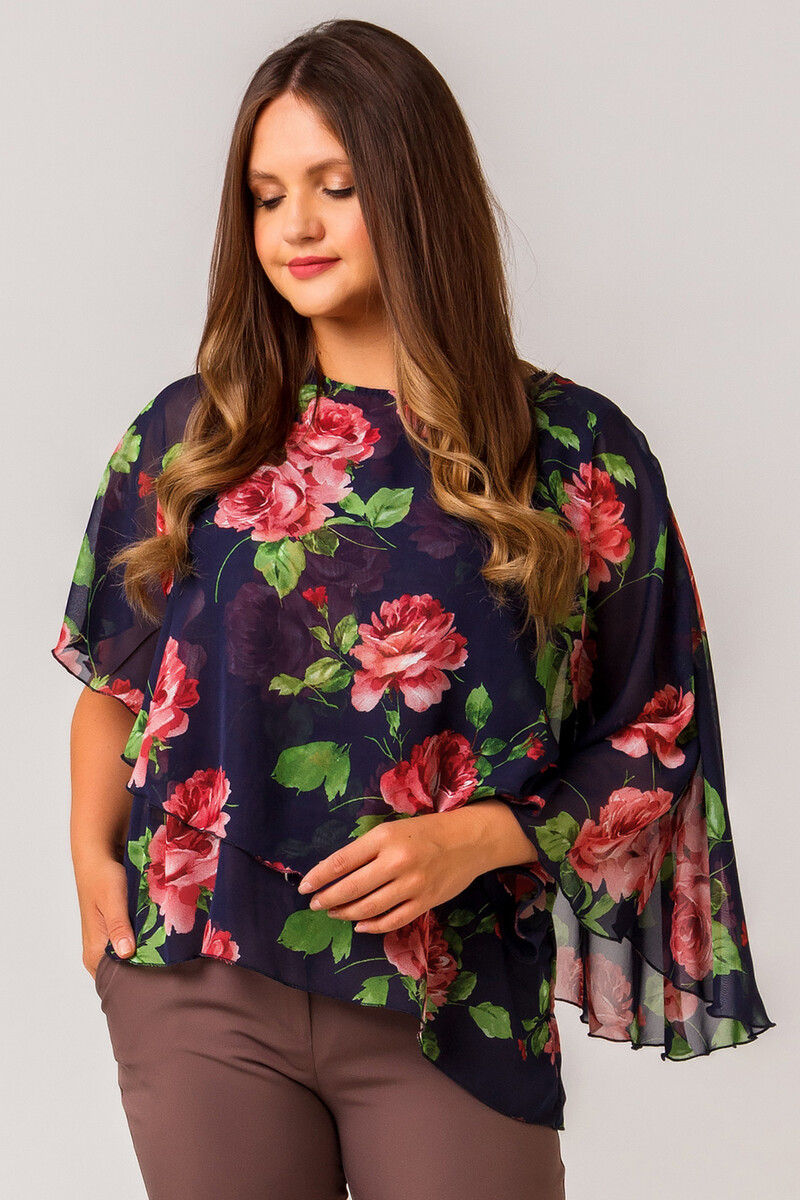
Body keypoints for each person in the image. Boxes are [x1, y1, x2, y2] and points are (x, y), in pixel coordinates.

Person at [50, 18, 775, 1200]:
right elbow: (115, 692)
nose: (295, 225)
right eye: (266, 195)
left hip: (454, 997)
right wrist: (90, 863)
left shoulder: (574, 450)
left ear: (415, 189)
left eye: (335, 187)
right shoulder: (190, 436)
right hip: (198, 980)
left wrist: (475, 840)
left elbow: (657, 726)